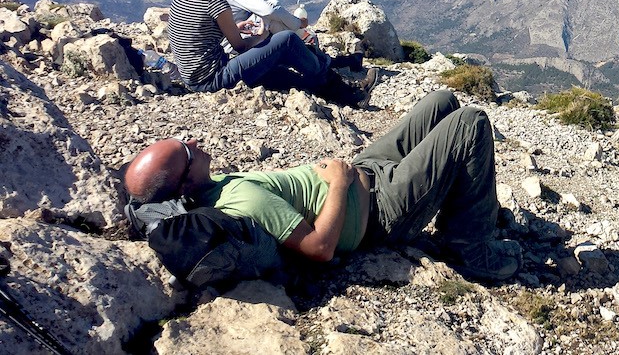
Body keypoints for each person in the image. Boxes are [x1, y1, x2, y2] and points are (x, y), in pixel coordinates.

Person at [124, 90, 521, 282]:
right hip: (379, 212)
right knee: (469, 122)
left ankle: (468, 205)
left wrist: (345, 175)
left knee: (442, 102)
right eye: (185, 151)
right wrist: (337, 182)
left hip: (365, 173)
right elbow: (319, 248)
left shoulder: (212, 186)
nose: (193, 142)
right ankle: (472, 247)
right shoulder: (241, 199)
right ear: (184, 180)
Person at [168, 0, 373, 105]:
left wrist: (235, 28)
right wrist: (263, 35)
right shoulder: (215, 3)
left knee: (283, 76)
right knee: (287, 40)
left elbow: (196, 34)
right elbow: (240, 46)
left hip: (193, 77)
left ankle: (339, 91)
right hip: (214, 79)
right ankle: (348, 91)